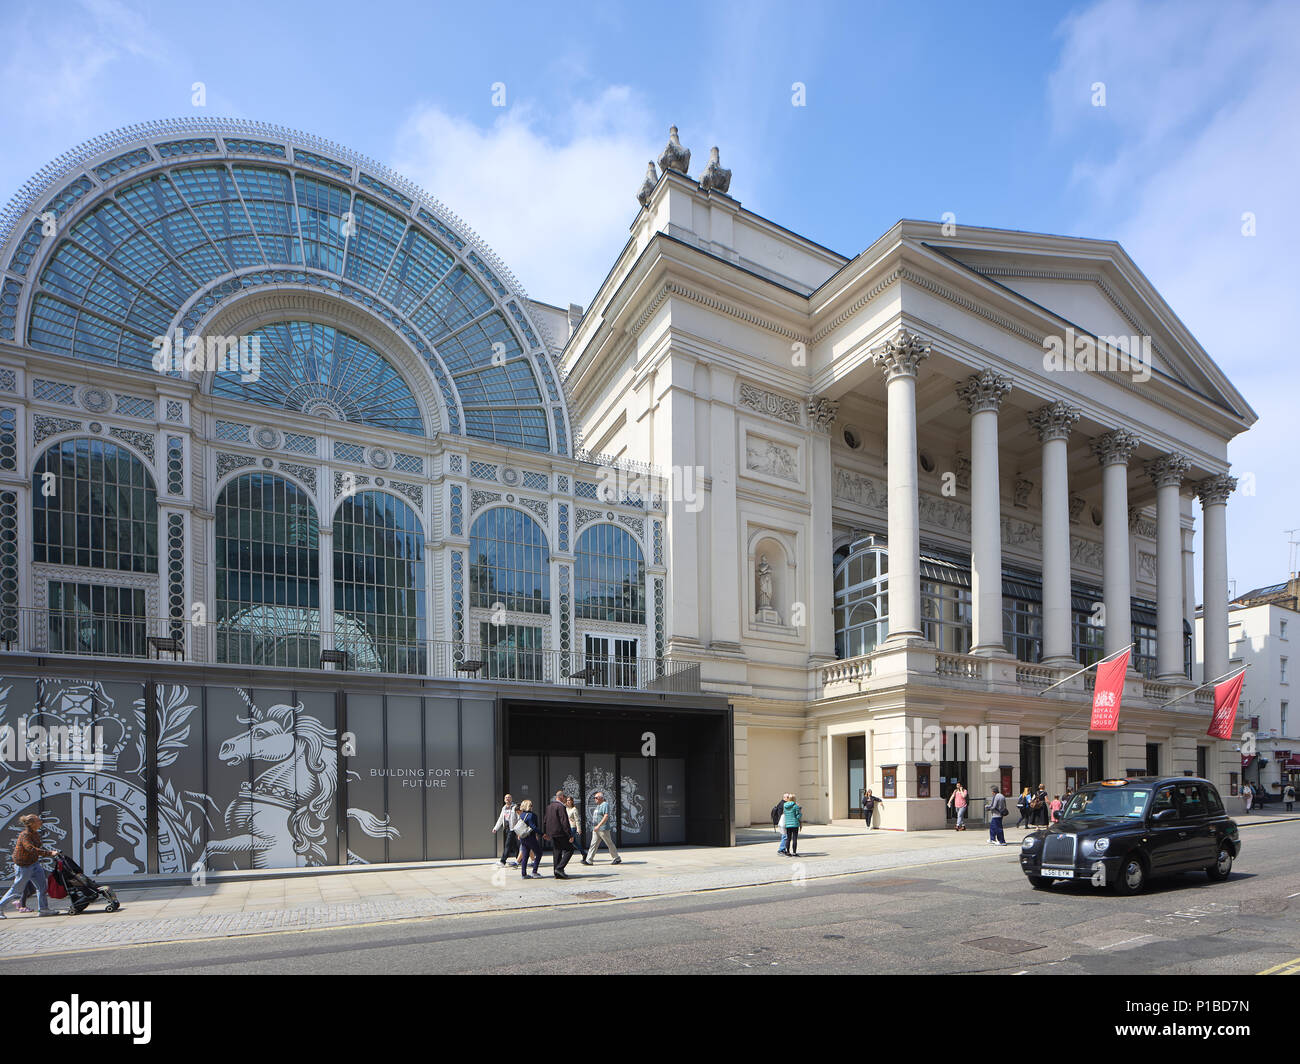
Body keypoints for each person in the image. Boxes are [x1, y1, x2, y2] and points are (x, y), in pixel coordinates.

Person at [0, 814, 59, 918]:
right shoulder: (25, 835)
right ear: (32, 823)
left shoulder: (35, 833)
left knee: (42, 887)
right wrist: (49, 853)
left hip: (34, 863)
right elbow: (30, 849)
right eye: (38, 820)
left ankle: (44, 909)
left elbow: (36, 847)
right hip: (23, 866)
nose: (41, 822)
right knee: (16, 890)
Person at [543, 790, 575, 879]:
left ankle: (557, 873)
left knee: (557, 852)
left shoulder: (549, 806)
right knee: (570, 849)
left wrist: (545, 832)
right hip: (560, 833)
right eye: (565, 797)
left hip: (552, 833)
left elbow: (545, 820)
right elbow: (564, 821)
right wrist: (570, 834)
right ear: (561, 797)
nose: (565, 799)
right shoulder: (561, 807)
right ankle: (559, 868)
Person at [586, 790, 621, 865]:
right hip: (596, 829)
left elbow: (606, 816)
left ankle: (616, 858)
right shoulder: (598, 805)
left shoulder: (605, 804)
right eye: (594, 798)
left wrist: (598, 825)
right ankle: (589, 860)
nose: (594, 799)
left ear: (601, 798)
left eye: (596, 798)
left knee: (609, 843)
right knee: (593, 844)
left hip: (603, 829)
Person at [515, 800, 542, 879]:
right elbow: (534, 827)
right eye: (531, 805)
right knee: (539, 853)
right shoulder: (532, 815)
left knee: (525, 855)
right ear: (529, 806)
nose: (532, 807)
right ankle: (534, 872)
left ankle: (524, 874)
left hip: (523, 837)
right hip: (530, 837)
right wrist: (542, 834)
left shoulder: (522, 814)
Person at [492, 793, 520, 867]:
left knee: (507, 845)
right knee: (514, 845)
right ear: (504, 800)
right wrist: (495, 828)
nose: (507, 798)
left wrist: (518, 828)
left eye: (509, 797)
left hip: (513, 829)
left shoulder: (514, 807)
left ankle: (503, 861)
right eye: (506, 797)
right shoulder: (504, 808)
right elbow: (501, 819)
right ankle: (519, 860)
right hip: (507, 829)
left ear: (511, 799)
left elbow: (518, 817)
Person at [565, 795, 587, 865]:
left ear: (572, 801)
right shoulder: (565, 809)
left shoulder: (574, 809)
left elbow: (577, 820)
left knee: (569, 841)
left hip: (572, 827)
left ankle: (565, 857)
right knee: (574, 842)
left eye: (569, 800)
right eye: (567, 800)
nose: (568, 802)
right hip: (567, 827)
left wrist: (579, 829)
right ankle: (583, 853)